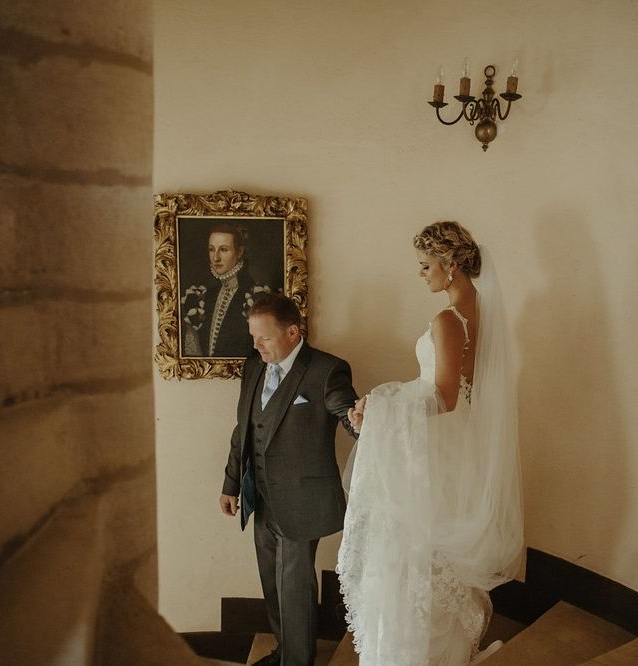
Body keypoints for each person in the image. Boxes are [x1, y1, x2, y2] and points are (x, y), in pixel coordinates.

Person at [337, 221, 523, 665]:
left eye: (425, 266)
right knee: (439, 554)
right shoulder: (485, 311)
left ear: (451, 264)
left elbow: (443, 396)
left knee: (416, 551)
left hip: (434, 449)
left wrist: (378, 408)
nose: (421, 275)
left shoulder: (447, 318)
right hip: (456, 448)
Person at [219, 293, 358, 666]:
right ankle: (285, 652)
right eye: (253, 337)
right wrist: (231, 483)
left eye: (264, 337)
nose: (256, 345)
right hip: (259, 494)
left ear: (293, 332)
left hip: (302, 498)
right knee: (271, 582)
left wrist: (356, 419)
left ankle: (297, 662)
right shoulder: (253, 366)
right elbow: (242, 430)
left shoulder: (327, 370)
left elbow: (345, 409)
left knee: (294, 587)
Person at [181, 222, 269, 357]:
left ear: (239, 252)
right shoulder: (204, 296)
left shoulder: (256, 296)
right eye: (211, 249)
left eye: (223, 249)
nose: (215, 258)